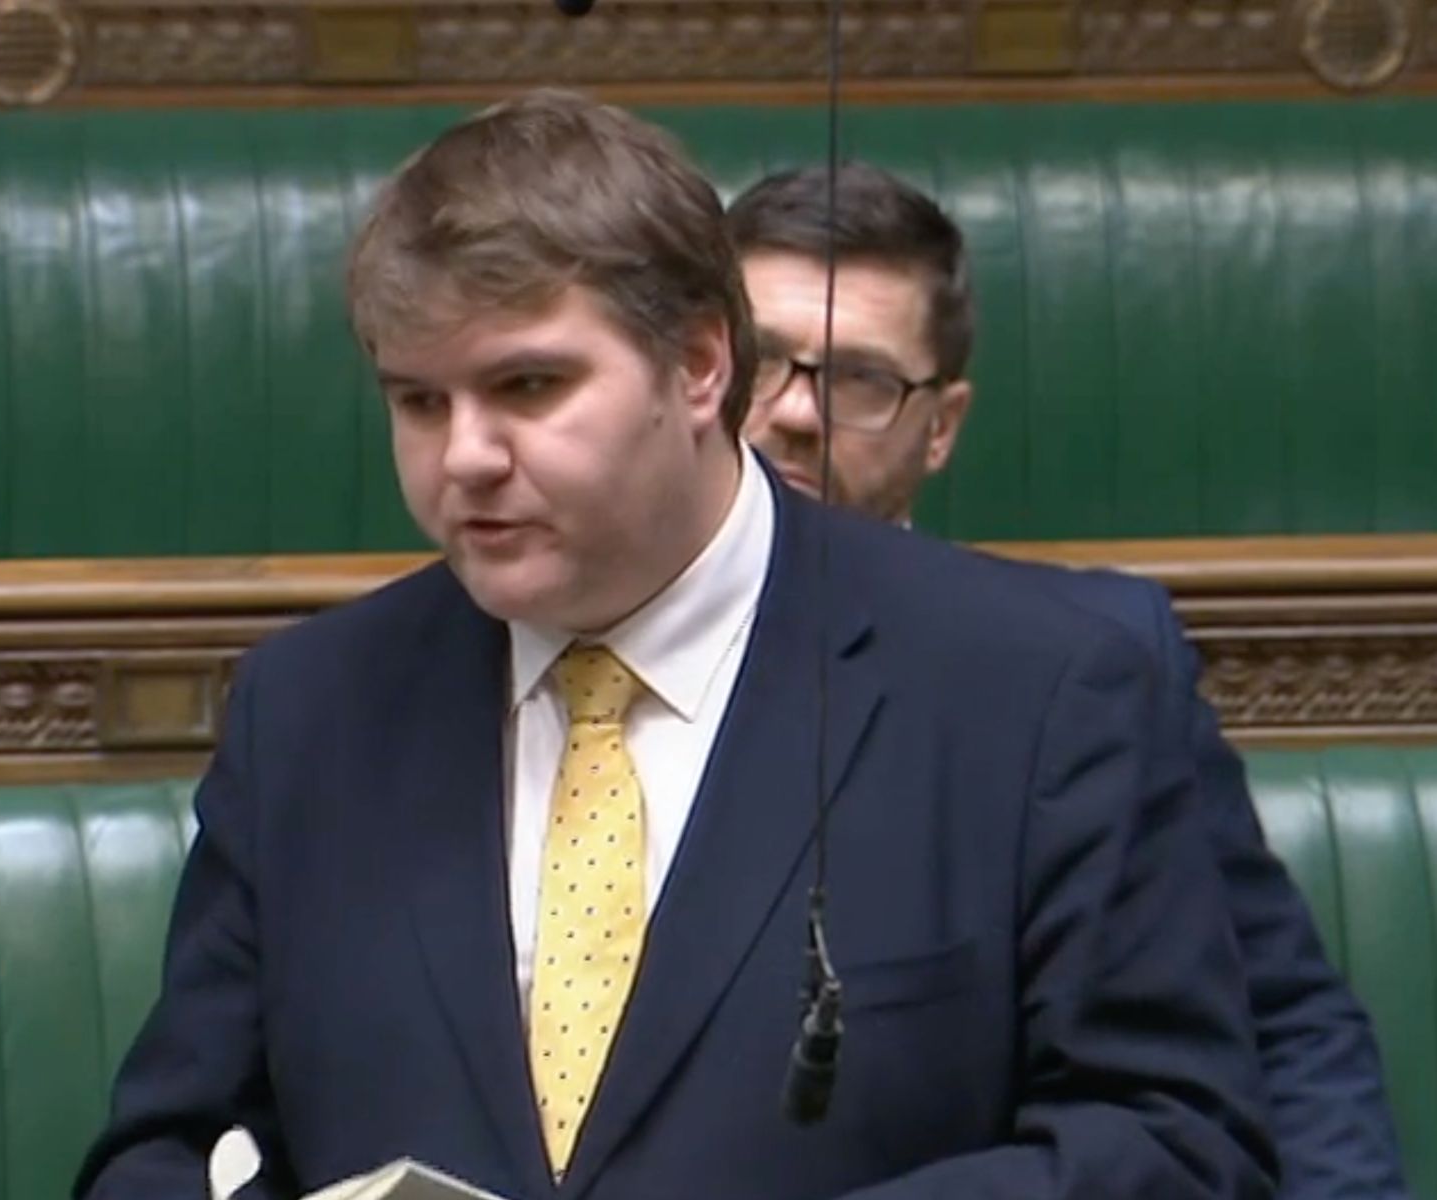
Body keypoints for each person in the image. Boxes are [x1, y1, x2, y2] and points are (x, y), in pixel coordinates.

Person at [72, 90, 1275, 1200]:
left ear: (699, 365)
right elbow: (167, 1146)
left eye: (527, 386)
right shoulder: (311, 712)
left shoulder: (1029, 687)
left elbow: (1174, 1143)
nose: (464, 458)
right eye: (419, 402)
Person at [726, 160, 1408, 1200]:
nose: (795, 413)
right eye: (759, 360)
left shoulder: (1089, 656)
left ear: (941, 425)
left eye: (859, 379)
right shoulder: (571, 656)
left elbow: (1278, 1022)